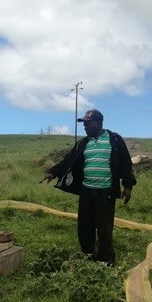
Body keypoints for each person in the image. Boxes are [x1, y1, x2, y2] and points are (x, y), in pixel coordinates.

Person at [40, 109, 136, 266]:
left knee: (104, 227)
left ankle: (106, 259)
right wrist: (53, 173)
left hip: (106, 192)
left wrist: (128, 186)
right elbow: (67, 160)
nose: (84, 126)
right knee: (85, 225)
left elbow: (126, 163)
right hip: (86, 191)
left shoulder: (115, 140)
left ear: (97, 123)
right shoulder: (83, 143)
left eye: (87, 123)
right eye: (83, 123)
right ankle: (87, 256)